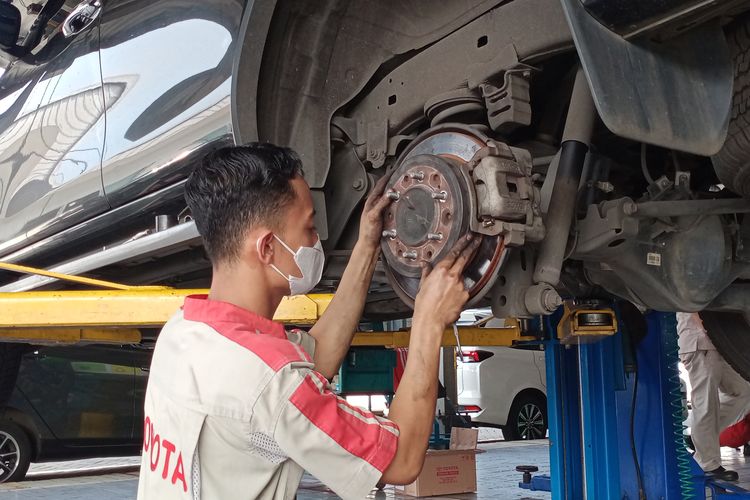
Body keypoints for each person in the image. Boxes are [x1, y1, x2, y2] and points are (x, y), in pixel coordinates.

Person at [136, 143, 480, 499]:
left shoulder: (183, 331)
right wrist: (428, 321)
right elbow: (401, 460)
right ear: (267, 248)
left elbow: (315, 358)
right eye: (310, 228)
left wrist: (366, 246)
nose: (316, 241)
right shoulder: (269, 383)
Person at [677, 312, 750, 481]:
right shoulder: (696, 285)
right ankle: (707, 464)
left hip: (722, 346)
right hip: (700, 342)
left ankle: (703, 437)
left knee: (742, 393)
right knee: (706, 403)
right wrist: (707, 328)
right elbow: (691, 303)